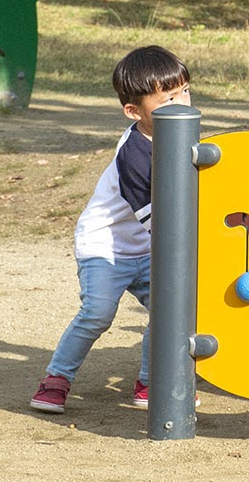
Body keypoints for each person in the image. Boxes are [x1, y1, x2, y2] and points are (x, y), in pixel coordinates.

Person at [29, 46, 190, 415]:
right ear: (134, 111)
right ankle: (56, 378)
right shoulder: (134, 154)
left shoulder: (181, 135)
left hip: (148, 248)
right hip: (106, 247)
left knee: (171, 311)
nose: (182, 103)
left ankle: (152, 381)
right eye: (168, 98)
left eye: (184, 91)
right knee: (98, 313)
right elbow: (162, 224)